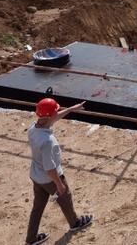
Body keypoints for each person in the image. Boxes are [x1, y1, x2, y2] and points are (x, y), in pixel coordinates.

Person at [25, 98, 92, 245]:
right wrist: (59, 184)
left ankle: (31, 239)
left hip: (36, 176)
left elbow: (51, 118)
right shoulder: (48, 141)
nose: (58, 113)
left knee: (37, 207)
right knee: (65, 198)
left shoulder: (33, 128)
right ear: (49, 116)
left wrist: (71, 109)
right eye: (56, 111)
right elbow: (50, 168)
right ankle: (75, 223)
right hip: (49, 179)